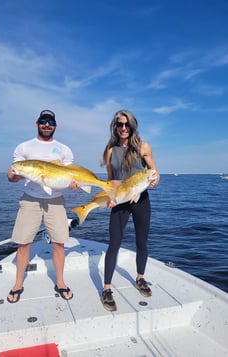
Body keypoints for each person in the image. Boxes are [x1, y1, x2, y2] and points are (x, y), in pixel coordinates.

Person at [7, 109, 79, 303]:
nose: (47, 125)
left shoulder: (64, 149)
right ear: (37, 123)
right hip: (30, 199)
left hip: (56, 200)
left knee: (59, 243)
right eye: (43, 121)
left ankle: (61, 282)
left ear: (55, 126)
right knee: (24, 243)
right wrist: (15, 174)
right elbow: (12, 175)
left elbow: (70, 175)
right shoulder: (24, 147)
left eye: (51, 122)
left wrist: (73, 184)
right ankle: (18, 284)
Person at [100, 109, 160, 311]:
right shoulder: (109, 150)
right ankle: (107, 288)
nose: (123, 128)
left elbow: (154, 172)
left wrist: (155, 180)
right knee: (114, 243)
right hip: (120, 202)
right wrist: (110, 198)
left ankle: (140, 278)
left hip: (141, 201)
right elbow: (110, 181)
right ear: (114, 127)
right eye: (119, 124)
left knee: (141, 242)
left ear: (132, 126)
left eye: (127, 124)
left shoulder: (143, 147)